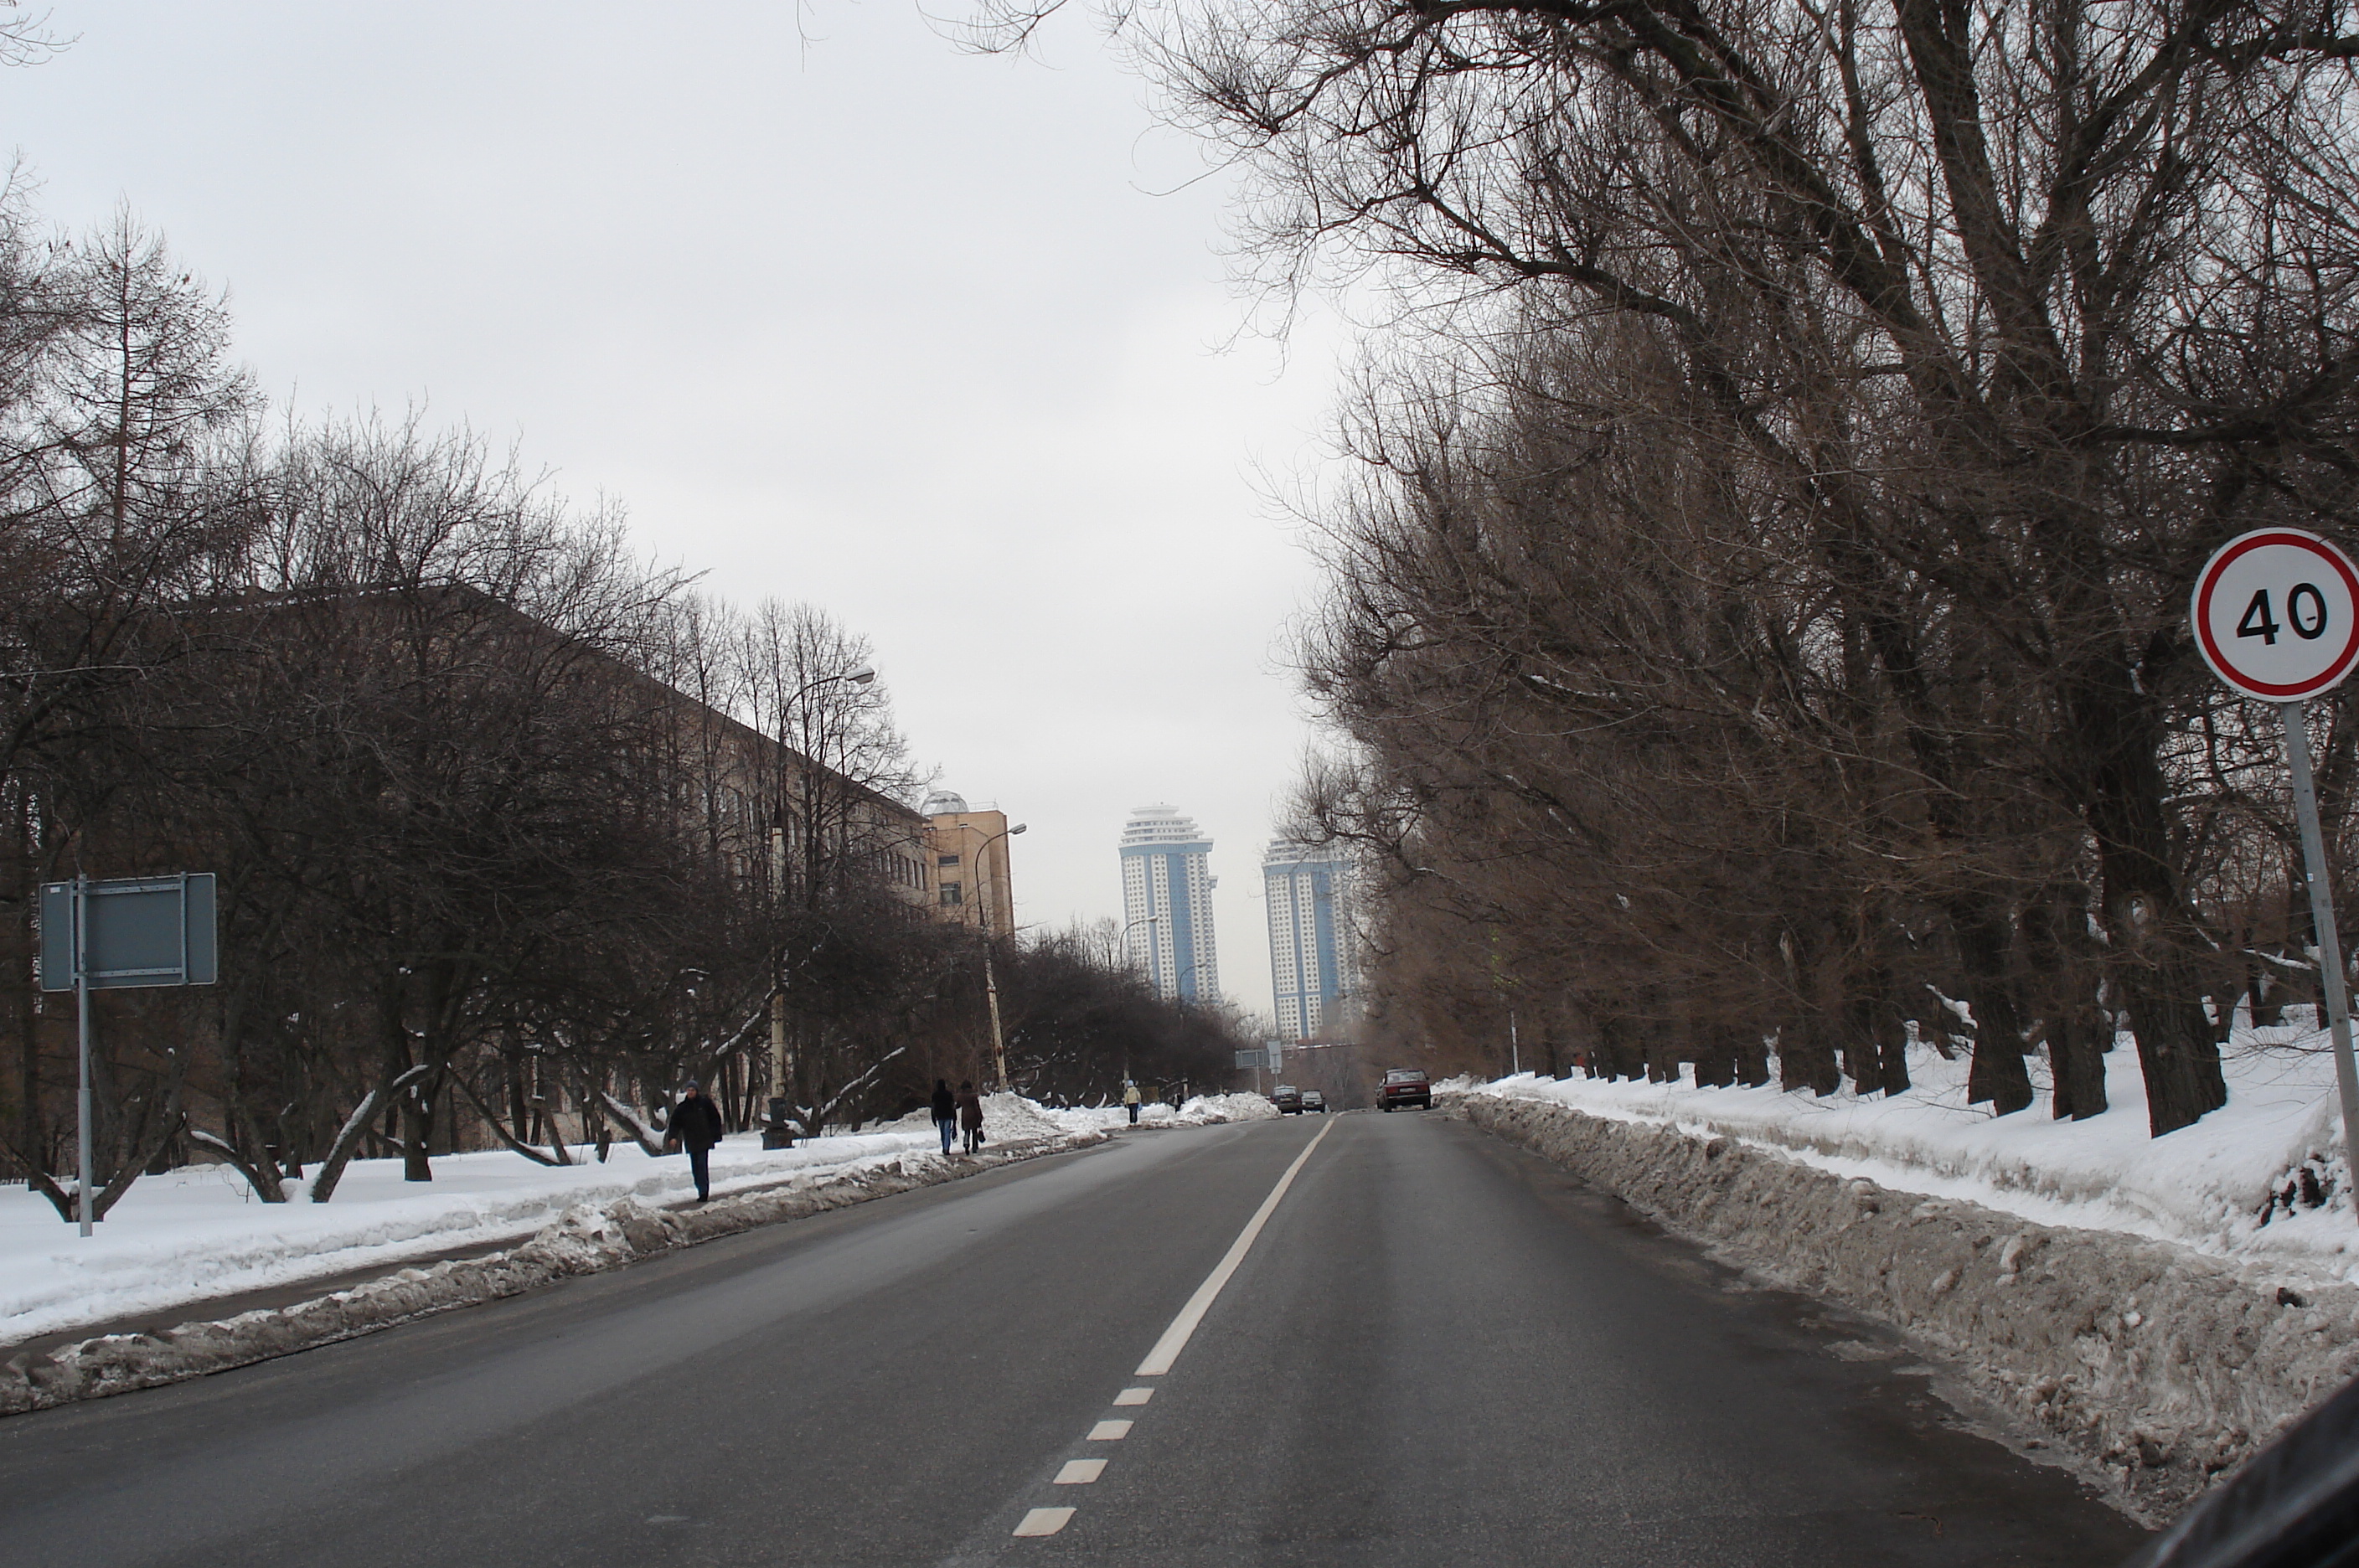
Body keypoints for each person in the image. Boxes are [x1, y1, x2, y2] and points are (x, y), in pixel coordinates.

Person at [667, 1078, 726, 1203]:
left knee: (702, 1165)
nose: (690, 1092)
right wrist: (673, 1137)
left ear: (697, 1091)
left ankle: (704, 1192)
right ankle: (699, 1188)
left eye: (692, 1090)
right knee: (695, 1168)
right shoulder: (682, 1108)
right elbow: (675, 1123)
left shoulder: (705, 1104)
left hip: (704, 1139)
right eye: (688, 1090)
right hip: (691, 1141)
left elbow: (715, 1119)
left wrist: (715, 1135)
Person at [955, 1080, 984, 1155]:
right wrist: (980, 1116)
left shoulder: (960, 1096)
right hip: (973, 1115)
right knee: (974, 1132)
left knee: (967, 1132)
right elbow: (976, 1107)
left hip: (965, 1115)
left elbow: (957, 1106)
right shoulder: (973, 1095)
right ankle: (974, 1147)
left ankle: (966, 1145)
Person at [930, 1078, 958, 1154]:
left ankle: (944, 1146)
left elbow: (933, 1107)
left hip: (939, 1116)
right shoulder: (949, 1094)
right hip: (948, 1115)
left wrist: (933, 1116)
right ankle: (946, 1148)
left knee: (942, 1132)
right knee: (947, 1131)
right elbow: (952, 1106)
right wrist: (954, 1115)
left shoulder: (935, 1095)